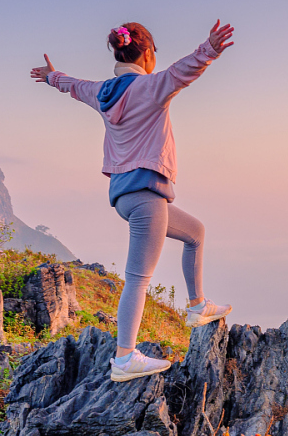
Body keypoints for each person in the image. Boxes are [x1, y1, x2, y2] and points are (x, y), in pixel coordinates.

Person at [31, 20, 235, 381]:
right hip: (146, 197)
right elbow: (183, 71)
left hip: (126, 195)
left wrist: (51, 77)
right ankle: (125, 357)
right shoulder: (151, 87)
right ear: (148, 52)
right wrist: (211, 49)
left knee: (195, 232)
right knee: (138, 279)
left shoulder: (102, 91)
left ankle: (197, 305)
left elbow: (73, 85)